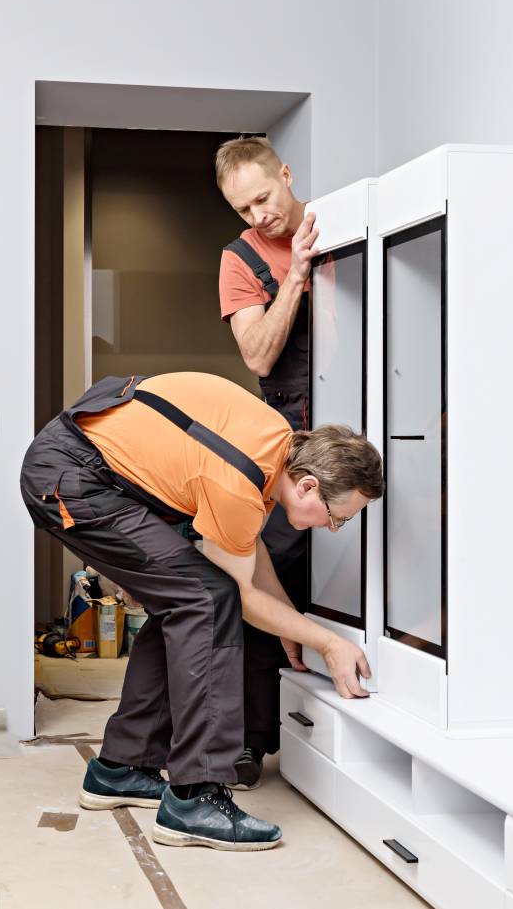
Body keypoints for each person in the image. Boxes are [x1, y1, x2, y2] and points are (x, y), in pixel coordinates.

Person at [20, 372, 382, 852]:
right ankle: (196, 797)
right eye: (339, 516)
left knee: (187, 598)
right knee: (207, 599)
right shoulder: (239, 480)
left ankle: (122, 767)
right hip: (74, 478)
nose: (334, 528)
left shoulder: (270, 445)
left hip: (84, 466)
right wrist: (328, 641)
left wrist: (292, 623)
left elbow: (249, 554)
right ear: (308, 486)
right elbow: (245, 596)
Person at [217, 136, 318, 789]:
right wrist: (298, 276)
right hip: (287, 438)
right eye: (242, 206)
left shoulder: (341, 223)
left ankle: (329, 717)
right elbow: (257, 353)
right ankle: (254, 738)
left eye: (264, 196)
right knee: (264, 579)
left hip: (358, 427)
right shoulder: (240, 259)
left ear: (286, 174)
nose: (258, 214)